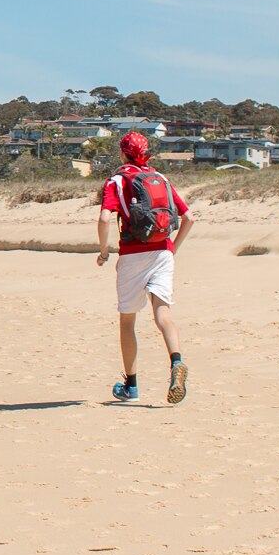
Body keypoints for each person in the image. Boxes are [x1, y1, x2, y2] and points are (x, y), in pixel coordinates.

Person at [96, 131, 193, 404]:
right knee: (163, 314)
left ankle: (131, 386)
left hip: (132, 255)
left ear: (122, 153)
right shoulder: (160, 178)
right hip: (163, 252)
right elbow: (189, 218)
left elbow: (105, 219)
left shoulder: (117, 180)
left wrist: (104, 251)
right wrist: (173, 248)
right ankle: (176, 362)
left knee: (128, 320)